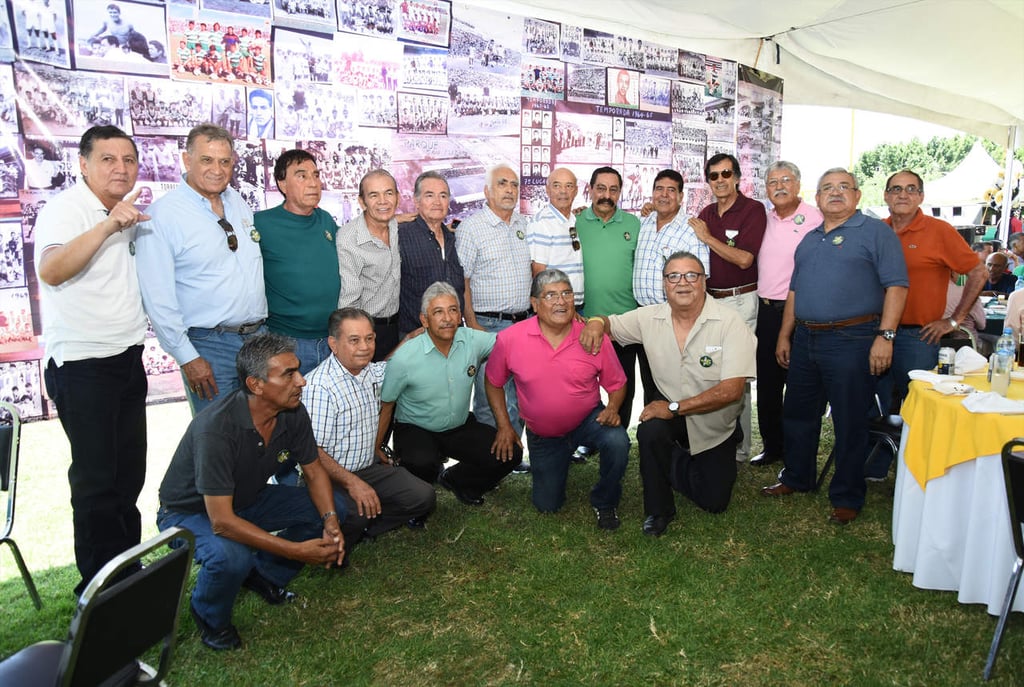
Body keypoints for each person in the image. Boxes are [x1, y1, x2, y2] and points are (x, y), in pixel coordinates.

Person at [157, 334, 346, 651]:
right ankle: (210, 617)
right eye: (288, 374)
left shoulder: (292, 412)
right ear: (256, 385)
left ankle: (263, 574)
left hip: (249, 499)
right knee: (231, 556)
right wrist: (295, 550)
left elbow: (313, 471)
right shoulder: (216, 429)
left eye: (297, 370)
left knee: (337, 504)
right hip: (190, 513)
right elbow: (222, 522)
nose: (301, 381)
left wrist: (330, 520)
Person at [35, 125, 148, 594]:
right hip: (82, 365)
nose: (120, 168)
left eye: (128, 159)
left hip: (126, 357)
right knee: (98, 485)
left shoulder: (130, 211)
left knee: (128, 479)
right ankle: (100, 590)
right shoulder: (67, 210)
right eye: (108, 159)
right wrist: (107, 225)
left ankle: (127, 574)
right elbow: (51, 269)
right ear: (83, 164)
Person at [763, 168, 908, 525]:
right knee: (798, 413)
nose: (835, 193)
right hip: (806, 339)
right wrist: (785, 334)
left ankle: (846, 496)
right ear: (817, 198)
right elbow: (794, 292)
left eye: (844, 187)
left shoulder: (876, 233)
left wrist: (885, 336)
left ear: (858, 195)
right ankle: (797, 476)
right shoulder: (810, 239)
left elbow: (897, 287)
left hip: (853, 339)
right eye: (827, 188)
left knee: (849, 420)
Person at [581, 252, 756, 536]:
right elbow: (608, 322)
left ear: (704, 282)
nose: (682, 283)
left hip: (713, 423)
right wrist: (596, 323)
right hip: (672, 416)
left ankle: (672, 460)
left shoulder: (730, 322)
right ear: (664, 284)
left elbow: (731, 390)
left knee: (714, 502)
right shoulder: (650, 317)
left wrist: (674, 407)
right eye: (673, 276)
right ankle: (658, 510)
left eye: (691, 275)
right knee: (651, 431)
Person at [136, 123, 267, 416]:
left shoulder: (238, 202)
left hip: (257, 341)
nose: (217, 169)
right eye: (207, 160)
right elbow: (157, 296)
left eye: (224, 161)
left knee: (263, 435)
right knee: (219, 440)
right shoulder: (162, 215)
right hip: (209, 346)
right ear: (187, 160)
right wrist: (187, 357)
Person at [486, 269, 629, 529]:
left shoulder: (592, 335)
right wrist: (505, 425)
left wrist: (613, 407)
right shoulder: (510, 339)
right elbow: (493, 382)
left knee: (618, 441)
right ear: (534, 304)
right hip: (544, 435)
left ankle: (605, 501)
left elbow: (618, 383)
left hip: (587, 420)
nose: (561, 301)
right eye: (550, 295)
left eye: (566, 293)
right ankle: (559, 460)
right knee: (547, 505)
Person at [303, 308, 435, 548]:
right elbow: (312, 452)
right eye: (354, 340)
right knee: (355, 512)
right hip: (328, 476)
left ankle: (364, 528)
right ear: (333, 344)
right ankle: (337, 534)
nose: (364, 347)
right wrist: (353, 483)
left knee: (423, 497)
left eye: (370, 338)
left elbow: (391, 366)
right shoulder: (319, 387)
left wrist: (406, 340)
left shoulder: (370, 371)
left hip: (367, 469)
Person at [381, 282, 520, 505]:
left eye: (453, 310)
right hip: (416, 428)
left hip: (459, 425)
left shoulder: (471, 339)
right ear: (424, 320)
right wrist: (377, 447)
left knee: (510, 451)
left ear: (459, 316)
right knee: (420, 461)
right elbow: (386, 405)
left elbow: (511, 342)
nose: (447, 318)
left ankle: (458, 480)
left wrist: (569, 323)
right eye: (438, 312)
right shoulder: (405, 358)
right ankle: (416, 497)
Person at [876, 169, 986, 414]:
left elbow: (979, 272)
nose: (903, 194)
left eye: (911, 189)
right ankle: (879, 454)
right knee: (876, 407)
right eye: (896, 189)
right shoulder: (877, 231)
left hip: (918, 338)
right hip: (875, 334)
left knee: (918, 409)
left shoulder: (940, 231)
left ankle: (915, 454)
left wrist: (954, 320)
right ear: (886, 196)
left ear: (921, 197)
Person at [688, 153, 766, 462]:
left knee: (737, 373)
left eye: (725, 174)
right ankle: (714, 440)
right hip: (711, 301)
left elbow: (745, 259)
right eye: (714, 176)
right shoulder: (706, 212)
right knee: (710, 370)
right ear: (708, 181)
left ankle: (740, 447)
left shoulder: (753, 210)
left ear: (736, 177)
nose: (720, 180)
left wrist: (707, 238)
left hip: (740, 299)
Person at [749, 161, 822, 467]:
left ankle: (797, 450)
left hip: (802, 312)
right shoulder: (763, 220)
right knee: (767, 384)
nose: (779, 186)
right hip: (765, 311)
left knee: (800, 385)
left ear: (798, 184)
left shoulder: (816, 218)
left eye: (785, 180)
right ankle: (772, 446)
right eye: (772, 182)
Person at [455, 164, 531, 440]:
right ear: (487, 191)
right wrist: (472, 323)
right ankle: (489, 457)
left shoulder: (525, 224)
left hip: (523, 324)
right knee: (490, 393)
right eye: (502, 183)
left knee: (521, 392)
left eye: (514, 184)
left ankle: (512, 452)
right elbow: (461, 281)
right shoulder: (472, 229)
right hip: (487, 325)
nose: (510, 189)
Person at [255, 149, 339, 374]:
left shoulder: (326, 221)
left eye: (316, 175)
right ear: (282, 184)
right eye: (302, 176)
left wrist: (384, 222)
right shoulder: (261, 224)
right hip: (288, 344)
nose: (313, 183)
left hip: (332, 341)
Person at [575, 166, 645, 429]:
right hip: (583, 320)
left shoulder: (634, 224)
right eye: (601, 188)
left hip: (623, 323)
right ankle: (587, 438)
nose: (606, 195)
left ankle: (618, 435)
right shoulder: (575, 222)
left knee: (623, 384)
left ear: (620, 193)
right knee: (583, 385)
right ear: (590, 190)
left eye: (613, 189)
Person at [337, 169, 402, 360]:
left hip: (398, 327)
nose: (383, 201)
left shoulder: (395, 226)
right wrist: (359, 340)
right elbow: (348, 304)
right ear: (362, 201)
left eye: (388, 193)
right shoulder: (349, 239)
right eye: (374, 195)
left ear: (397, 197)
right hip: (366, 331)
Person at [396, 171, 464, 338]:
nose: (437, 202)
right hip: (417, 337)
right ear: (416, 201)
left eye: (442, 196)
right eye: (429, 195)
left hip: (455, 336)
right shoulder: (400, 235)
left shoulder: (455, 238)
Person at [633, 169, 704, 307]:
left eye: (671, 190)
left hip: (675, 312)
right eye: (659, 189)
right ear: (653, 193)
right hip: (640, 313)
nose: (664, 195)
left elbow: (700, 280)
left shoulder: (692, 229)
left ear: (680, 196)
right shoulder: (641, 223)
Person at [526, 167, 583, 309]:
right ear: (547, 190)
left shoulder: (575, 220)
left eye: (568, 186)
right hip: (557, 308)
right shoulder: (541, 223)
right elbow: (539, 274)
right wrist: (562, 307)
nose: (563, 191)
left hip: (576, 307)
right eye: (556, 185)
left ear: (575, 191)